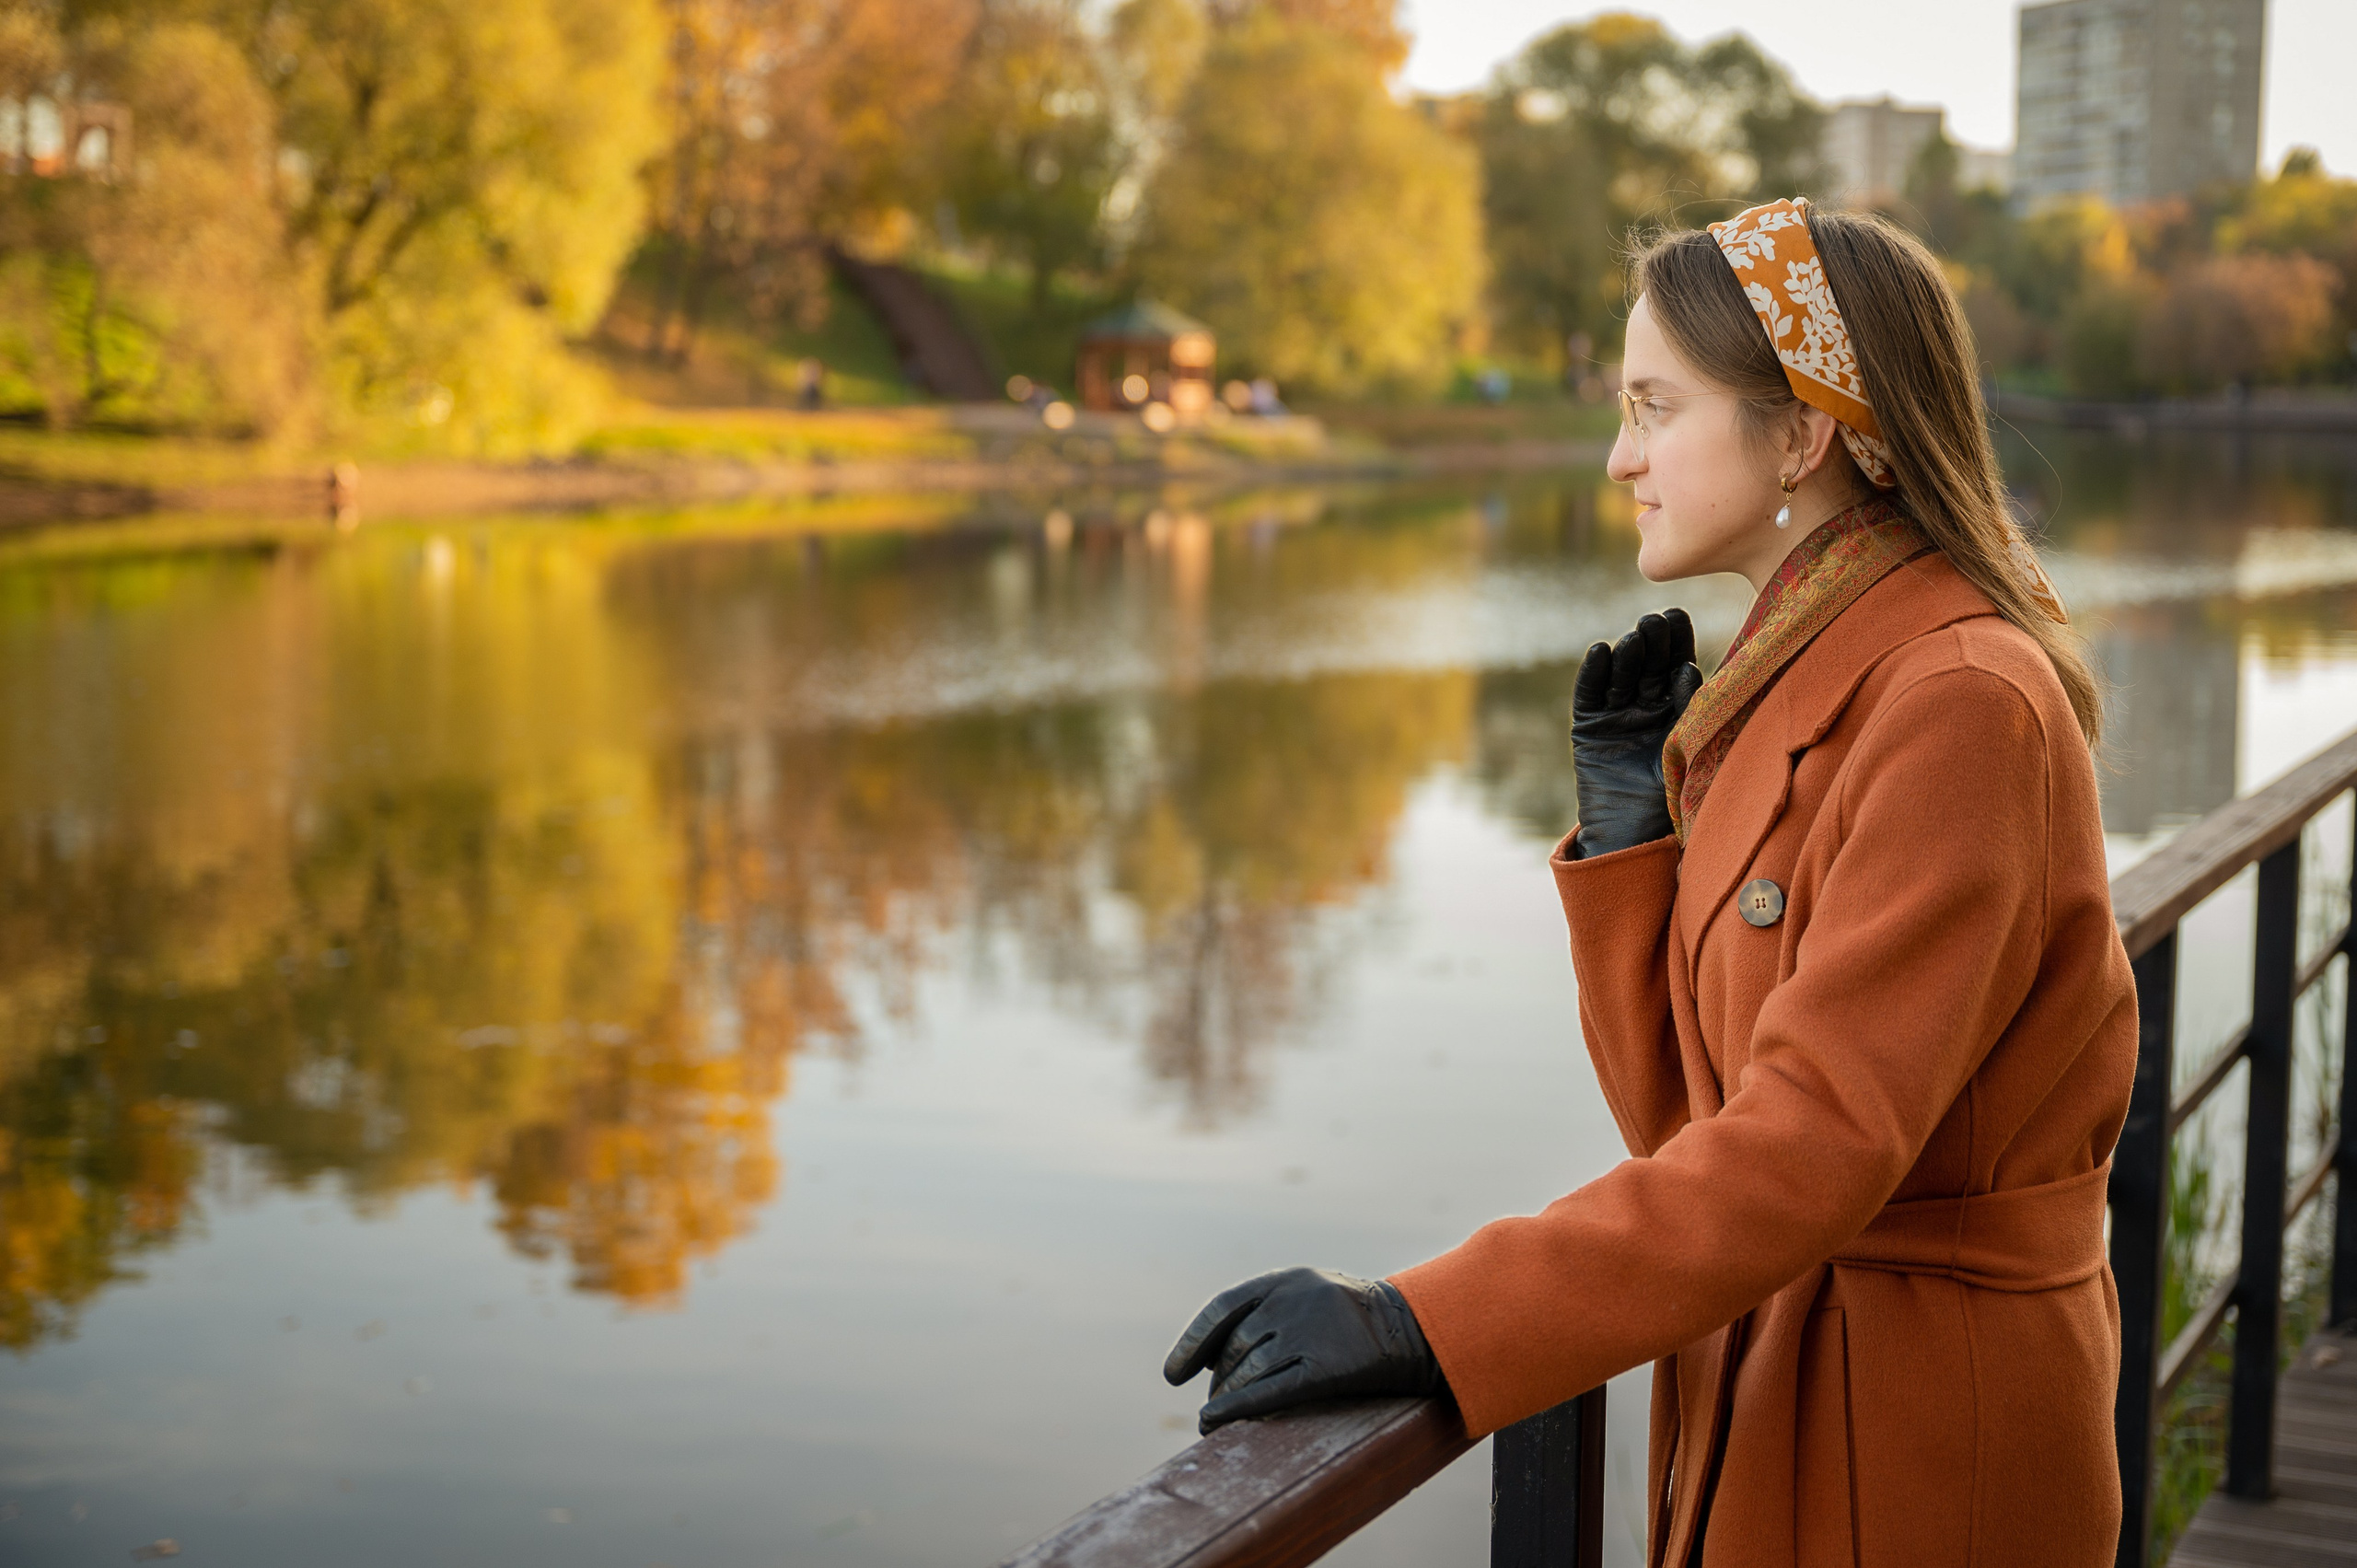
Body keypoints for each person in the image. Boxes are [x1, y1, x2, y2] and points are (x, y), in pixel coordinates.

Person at [1161, 200, 2136, 1566]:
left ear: (1802, 432)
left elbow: (1808, 1144)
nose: (1621, 457)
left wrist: (1425, 1319)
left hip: (1922, 1441)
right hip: (1776, 1386)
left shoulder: (1961, 699)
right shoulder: (1803, 674)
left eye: (1655, 407)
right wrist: (1637, 856)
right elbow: (1690, 1127)